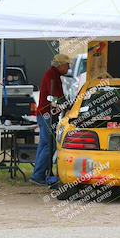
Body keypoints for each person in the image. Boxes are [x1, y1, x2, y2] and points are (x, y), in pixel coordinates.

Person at [30, 54, 70, 186]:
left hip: (44, 114)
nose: (69, 67)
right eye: (67, 65)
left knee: (44, 144)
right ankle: (39, 175)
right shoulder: (52, 76)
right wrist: (67, 104)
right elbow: (56, 96)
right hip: (47, 114)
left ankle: (38, 174)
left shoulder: (53, 75)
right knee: (49, 145)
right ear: (61, 65)